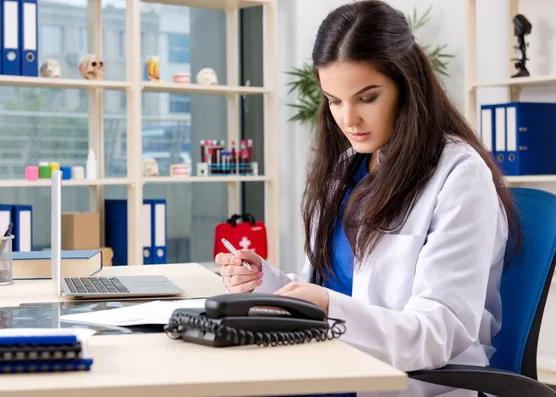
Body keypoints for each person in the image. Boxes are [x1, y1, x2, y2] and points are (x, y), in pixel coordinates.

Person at [215, 1, 521, 396]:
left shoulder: (459, 175)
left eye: (367, 97)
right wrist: (266, 282)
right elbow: (339, 289)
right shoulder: (346, 168)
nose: (348, 120)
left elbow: (439, 333)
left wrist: (329, 309)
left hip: (399, 384)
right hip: (325, 366)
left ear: (406, 85)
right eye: (334, 100)